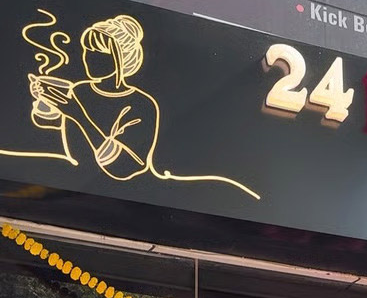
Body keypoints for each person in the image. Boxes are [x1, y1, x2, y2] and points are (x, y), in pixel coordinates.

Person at [3, 14, 260, 199]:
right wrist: (42, 99)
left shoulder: (141, 104)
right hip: (71, 188)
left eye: (99, 52)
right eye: (87, 49)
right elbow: (49, 123)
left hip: (128, 195)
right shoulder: (80, 89)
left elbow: (123, 168)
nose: (89, 57)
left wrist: (77, 114)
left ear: (121, 60)